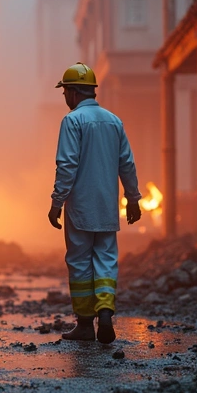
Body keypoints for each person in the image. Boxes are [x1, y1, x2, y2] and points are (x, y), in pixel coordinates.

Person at [47, 62, 141, 344]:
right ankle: (106, 312)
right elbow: (127, 163)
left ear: (74, 93)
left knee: (79, 262)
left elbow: (67, 165)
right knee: (106, 259)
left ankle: (86, 323)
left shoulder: (72, 121)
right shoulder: (114, 121)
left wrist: (56, 201)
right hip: (107, 206)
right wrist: (133, 198)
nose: (64, 98)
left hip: (80, 207)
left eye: (65, 92)